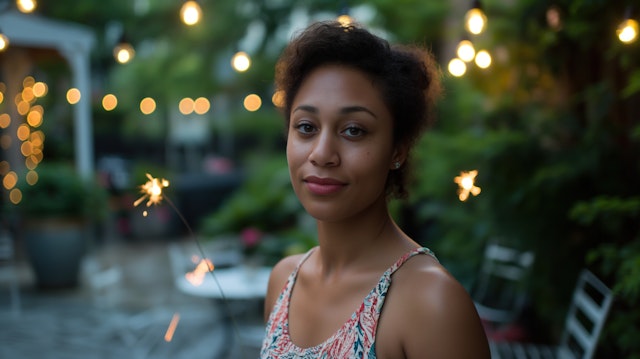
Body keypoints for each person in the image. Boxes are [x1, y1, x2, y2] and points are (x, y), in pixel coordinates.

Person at [261, 20, 490, 358]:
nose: (321, 153)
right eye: (306, 127)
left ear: (398, 149)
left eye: (354, 130)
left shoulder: (431, 304)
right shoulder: (284, 281)